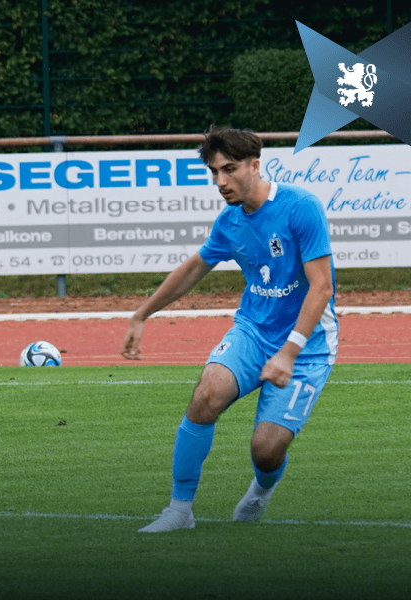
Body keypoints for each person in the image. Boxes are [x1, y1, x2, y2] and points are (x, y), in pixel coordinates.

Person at [121, 125, 338, 532]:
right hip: (252, 331)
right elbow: (194, 268)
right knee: (206, 396)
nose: (221, 181)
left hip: (307, 344)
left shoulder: (300, 207)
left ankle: (260, 490)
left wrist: (288, 352)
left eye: (230, 169)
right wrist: (141, 314)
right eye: (214, 172)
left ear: (255, 165)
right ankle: (179, 510)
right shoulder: (230, 220)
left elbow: (321, 287)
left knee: (266, 450)